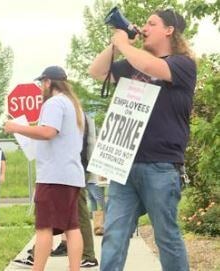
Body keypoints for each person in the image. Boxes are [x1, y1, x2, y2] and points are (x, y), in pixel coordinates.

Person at [89, 9, 196, 271]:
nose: (145, 27)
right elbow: (96, 71)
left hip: (161, 165)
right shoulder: (132, 63)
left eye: (152, 23)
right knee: (114, 235)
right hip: (124, 164)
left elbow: (151, 66)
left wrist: (125, 45)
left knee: (166, 237)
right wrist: (116, 43)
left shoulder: (182, 64)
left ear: (169, 30)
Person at [5, 65, 85, 271]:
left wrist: (17, 127)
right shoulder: (74, 106)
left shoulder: (54, 102)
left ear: (49, 82)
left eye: (42, 83)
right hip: (72, 175)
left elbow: (49, 132)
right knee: (72, 227)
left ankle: (37, 268)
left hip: (53, 176)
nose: (41, 87)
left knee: (44, 228)